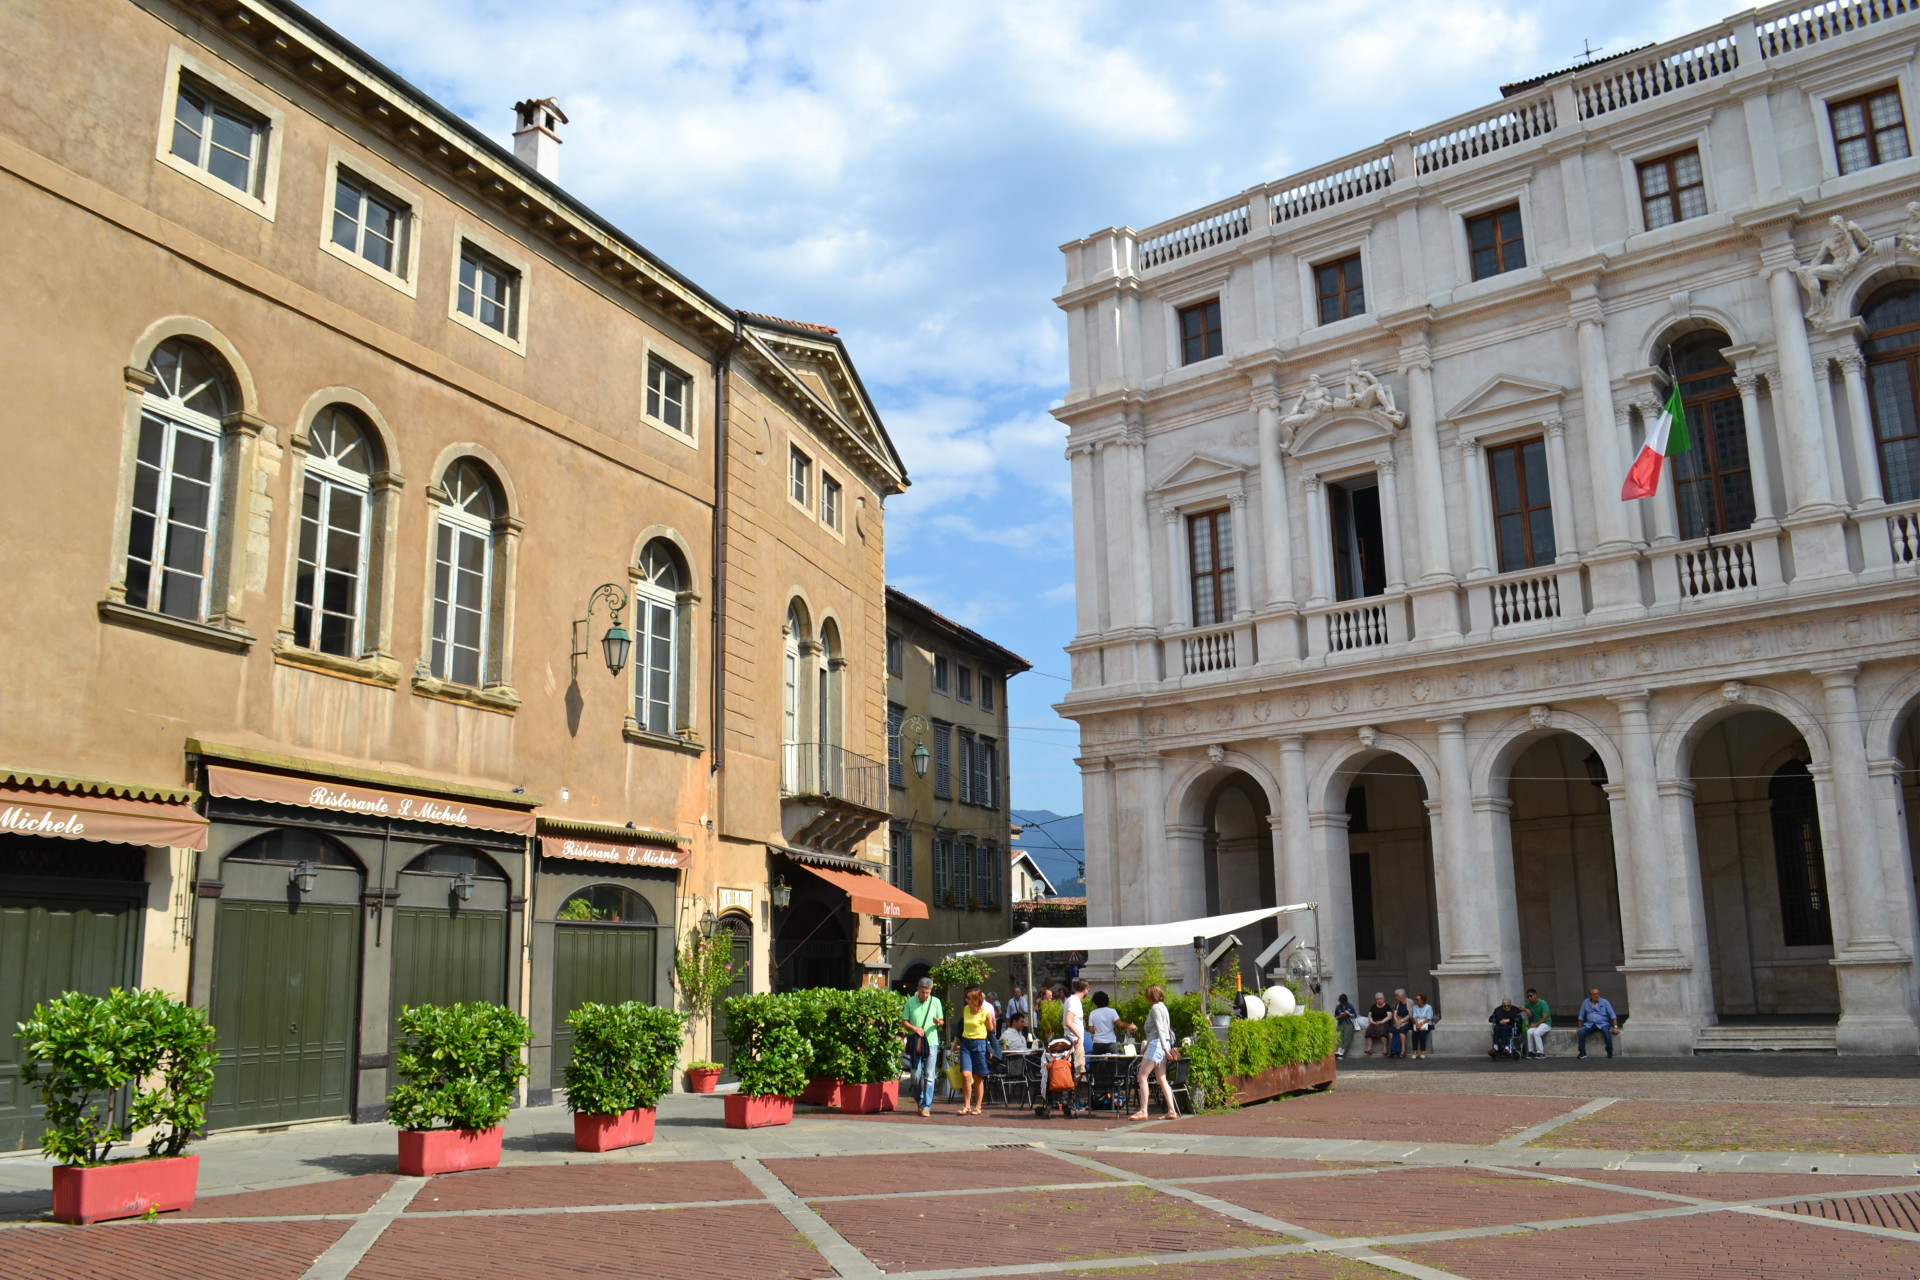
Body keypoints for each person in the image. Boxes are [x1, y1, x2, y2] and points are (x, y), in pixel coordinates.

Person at [1128, 984, 1181, 1121]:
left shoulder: (1155, 1008)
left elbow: (1160, 1030)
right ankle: (1171, 1110)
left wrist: (1163, 1048)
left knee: (1142, 1076)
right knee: (1162, 1078)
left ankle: (1143, 1110)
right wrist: (1166, 1048)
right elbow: (1165, 1030)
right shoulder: (1164, 1007)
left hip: (1157, 1045)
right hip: (1161, 1044)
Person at [901, 976, 944, 1117]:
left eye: (928, 992)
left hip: (931, 1042)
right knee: (915, 1075)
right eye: (923, 992)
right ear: (918, 989)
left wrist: (939, 1022)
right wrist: (915, 1029)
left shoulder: (936, 1002)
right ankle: (919, 1099)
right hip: (916, 1043)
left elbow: (942, 1021)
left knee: (930, 1075)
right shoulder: (910, 1002)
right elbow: (904, 1022)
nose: (925, 995)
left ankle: (927, 1106)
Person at [955, 984, 996, 1115]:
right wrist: (956, 1041)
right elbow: (962, 1026)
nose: (966, 1000)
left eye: (969, 997)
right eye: (966, 997)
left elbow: (990, 1029)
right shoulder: (965, 1010)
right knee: (965, 1075)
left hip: (980, 1043)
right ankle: (966, 1104)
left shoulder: (985, 1012)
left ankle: (977, 1106)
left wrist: (990, 1048)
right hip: (966, 1043)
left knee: (977, 1076)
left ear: (975, 999)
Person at [1578, 988, 1620, 1059]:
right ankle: (1582, 1052)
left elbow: (1612, 1015)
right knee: (1582, 1031)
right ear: (1590, 995)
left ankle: (1610, 1051)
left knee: (1606, 1032)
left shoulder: (1605, 1002)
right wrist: (1579, 1027)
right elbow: (1581, 1016)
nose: (1597, 995)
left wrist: (1615, 1027)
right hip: (1590, 1024)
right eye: (1594, 994)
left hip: (1603, 1023)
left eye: (1598, 994)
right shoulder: (1585, 1002)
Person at [1063, 978, 1090, 1076]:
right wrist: (1078, 1036)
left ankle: (1074, 1090)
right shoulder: (1075, 1002)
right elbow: (1068, 1022)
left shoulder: (1070, 1000)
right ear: (1086, 989)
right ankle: (1074, 1090)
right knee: (1079, 1069)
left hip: (1072, 1038)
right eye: (1089, 990)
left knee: (1077, 1069)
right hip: (1075, 1040)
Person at [1524, 988, 1551, 1059]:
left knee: (1536, 1032)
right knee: (1529, 1032)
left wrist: (1535, 1025)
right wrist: (1526, 1009)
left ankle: (1540, 1052)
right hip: (1536, 1024)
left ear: (1536, 996)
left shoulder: (1543, 1003)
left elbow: (1545, 1017)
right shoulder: (1529, 1004)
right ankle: (1531, 1052)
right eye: (1528, 997)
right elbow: (1520, 1008)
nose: (1529, 998)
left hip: (1545, 1023)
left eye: (1530, 996)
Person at [1408, 993, 1434, 1060]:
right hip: (1418, 1024)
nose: (1416, 1001)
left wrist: (1421, 1023)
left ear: (1422, 1000)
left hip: (1427, 1024)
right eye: (1415, 999)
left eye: (1417, 999)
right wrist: (1417, 1024)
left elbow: (1428, 1018)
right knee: (1414, 1033)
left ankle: (1423, 1052)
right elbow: (1414, 1017)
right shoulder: (1415, 1007)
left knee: (1422, 1034)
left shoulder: (1428, 1007)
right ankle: (1415, 1052)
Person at [1333, 994, 1358, 1059]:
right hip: (1341, 1023)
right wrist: (1340, 1016)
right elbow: (1335, 1017)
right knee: (1339, 1036)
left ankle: (1342, 1052)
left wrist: (1349, 1013)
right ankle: (1339, 1050)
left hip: (1348, 1023)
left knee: (1347, 1037)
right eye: (1341, 1002)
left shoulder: (1350, 1006)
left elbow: (1355, 1015)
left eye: (1343, 1002)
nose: (1342, 1003)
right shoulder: (1338, 1007)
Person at [1389, 988, 1411, 1059]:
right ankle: (1392, 1050)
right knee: (1391, 1031)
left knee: (1402, 1032)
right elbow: (1394, 1014)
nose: (1396, 998)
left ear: (1403, 996)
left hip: (1407, 1022)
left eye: (1397, 996)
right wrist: (1397, 1022)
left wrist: (1401, 1022)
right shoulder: (1397, 1004)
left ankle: (1403, 1050)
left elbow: (1410, 1015)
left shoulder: (1409, 1002)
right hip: (1398, 1022)